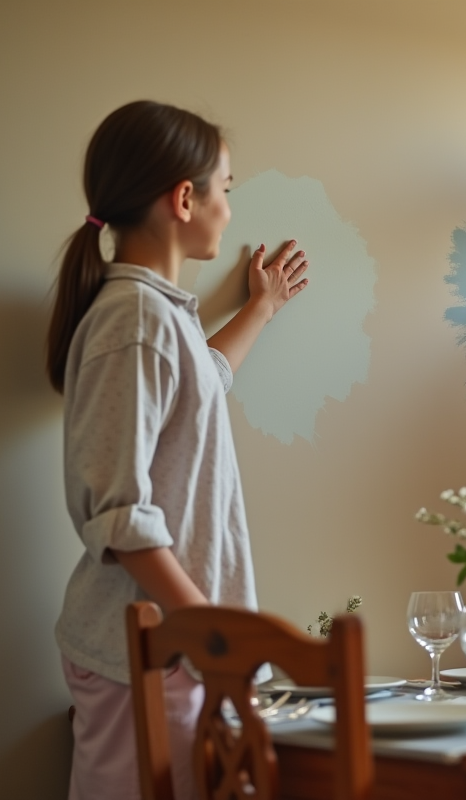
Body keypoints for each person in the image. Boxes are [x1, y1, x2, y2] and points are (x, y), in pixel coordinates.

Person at [46, 100, 309, 800]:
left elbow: (202, 384)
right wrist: (207, 630)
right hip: (153, 652)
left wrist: (261, 307)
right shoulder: (134, 320)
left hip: (171, 653)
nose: (229, 205)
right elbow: (121, 511)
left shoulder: (155, 316)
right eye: (225, 187)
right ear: (184, 199)